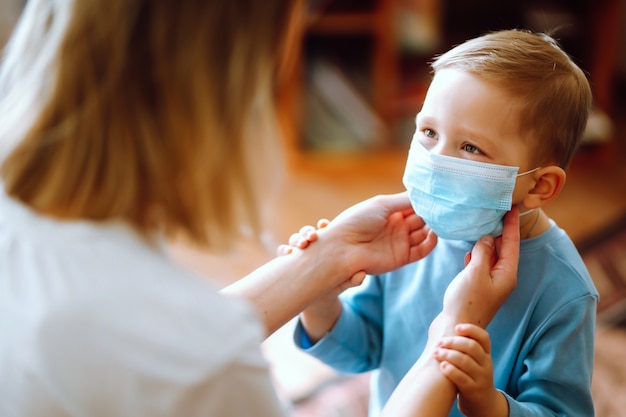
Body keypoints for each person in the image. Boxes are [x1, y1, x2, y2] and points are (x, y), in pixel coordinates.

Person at [0, 1, 520, 416]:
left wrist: (323, 262)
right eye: (426, 133)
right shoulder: (208, 370)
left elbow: (142, 345)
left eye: (470, 147)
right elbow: (185, 355)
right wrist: (450, 338)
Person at [294, 29, 599, 417]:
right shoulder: (408, 235)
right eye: (428, 132)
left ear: (540, 184)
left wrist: (489, 405)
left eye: (470, 147)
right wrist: (319, 298)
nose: (436, 161)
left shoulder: (564, 291)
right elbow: (363, 349)